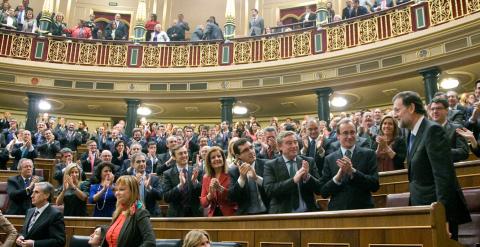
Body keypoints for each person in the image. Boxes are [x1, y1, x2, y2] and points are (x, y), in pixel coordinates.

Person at [392, 91, 471, 240]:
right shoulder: (410, 134)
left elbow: (444, 176)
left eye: (397, 109)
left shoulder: (432, 130)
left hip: (438, 213)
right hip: (422, 208)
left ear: (411, 108)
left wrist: (443, 218)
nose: (394, 114)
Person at [319, 118, 379, 210]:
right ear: (338, 136)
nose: (350, 136)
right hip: (338, 213)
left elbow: (375, 186)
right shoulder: (329, 159)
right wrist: (337, 178)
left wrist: (353, 172)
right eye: (345, 133)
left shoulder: (369, 154)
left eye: (352, 132)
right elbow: (323, 192)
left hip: (363, 211)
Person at [263, 131, 321, 213]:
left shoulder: (308, 161)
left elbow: (319, 189)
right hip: (282, 215)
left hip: (308, 212)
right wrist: (293, 181)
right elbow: (269, 190)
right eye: (289, 143)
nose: (294, 146)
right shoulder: (270, 165)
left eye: (295, 142)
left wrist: (307, 177)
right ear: (280, 146)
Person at [105, 175, 155, 247]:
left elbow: (150, 242)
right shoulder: (118, 213)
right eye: (116, 190)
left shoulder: (140, 213)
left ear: (132, 191)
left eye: (121, 189)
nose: (117, 193)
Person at [15, 182, 65, 247]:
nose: (32, 195)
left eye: (36, 192)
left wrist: (34, 244)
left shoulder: (55, 215)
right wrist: (20, 237)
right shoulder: (30, 211)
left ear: (46, 195)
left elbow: (59, 241)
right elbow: (25, 232)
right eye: (32, 192)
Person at [228, 138, 268, 215]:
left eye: (251, 147)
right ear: (238, 156)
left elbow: (272, 188)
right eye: (245, 150)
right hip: (245, 215)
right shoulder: (233, 171)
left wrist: (256, 178)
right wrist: (242, 178)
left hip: (268, 212)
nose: (251, 151)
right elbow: (232, 197)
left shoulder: (267, 164)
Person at [162, 146, 203, 217]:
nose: (184, 155)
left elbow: (203, 193)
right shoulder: (167, 174)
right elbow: (166, 198)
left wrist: (195, 182)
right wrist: (180, 186)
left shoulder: (197, 171)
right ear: (174, 157)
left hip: (195, 214)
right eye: (180, 154)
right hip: (176, 215)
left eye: (185, 153)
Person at [429, 97, 469, 162]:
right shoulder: (426, 130)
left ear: (447, 110)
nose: (435, 111)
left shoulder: (456, 128)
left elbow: (464, 152)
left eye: (438, 108)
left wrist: (442, 151)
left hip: (453, 168)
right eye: (432, 109)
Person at [200, 147, 236, 216]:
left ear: (223, 158)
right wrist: (210, 195)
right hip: (214, 216)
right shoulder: (206, 177)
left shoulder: (232, 172)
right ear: (209, 162)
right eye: (213, 157)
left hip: (231, 214)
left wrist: (220, 188)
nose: (216, 159)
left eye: (219, 156)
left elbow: (234, 196)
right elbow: (203, 203)